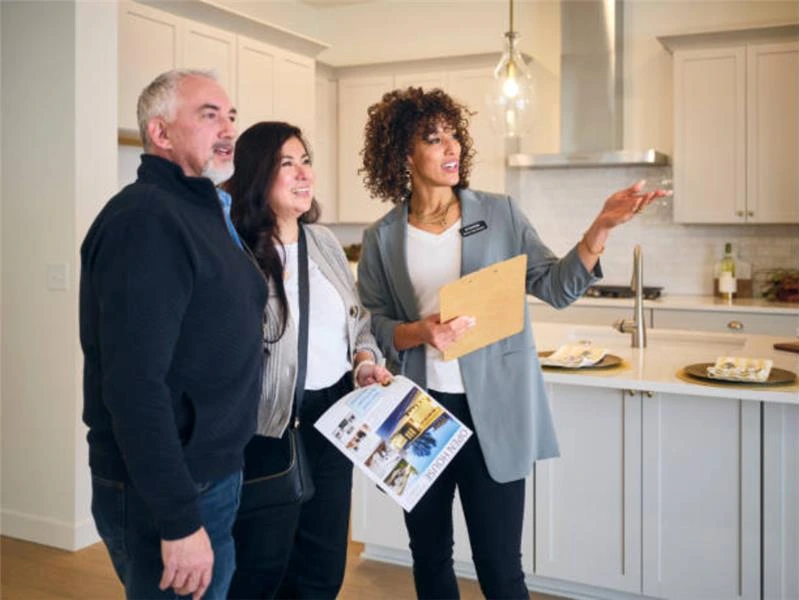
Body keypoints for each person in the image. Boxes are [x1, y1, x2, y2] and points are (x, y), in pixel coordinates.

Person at [356, 87, 667, 599]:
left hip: (492, 412)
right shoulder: (383, 236)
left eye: (453, 135)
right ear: (402, 155)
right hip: (415, 413)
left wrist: (601, 227)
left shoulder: (499, 214)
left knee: (499, 565)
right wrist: (419, 332)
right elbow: (371, 323)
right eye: (433, 139)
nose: (450, 147)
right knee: (429, 556)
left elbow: (556, 287)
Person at [80, 69, 267, 600]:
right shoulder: (146, 220)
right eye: (209, 115)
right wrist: (179, 520)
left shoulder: (201, 210)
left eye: (231, 116)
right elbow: (134, 386)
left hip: (209, 471)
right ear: (161, 134)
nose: (228, 128)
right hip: (173, 485)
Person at [224, 121, 392, 599]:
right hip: (270, 429)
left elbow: (357, 321)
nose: (303, 174)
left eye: (306, 161)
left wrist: (364, 360)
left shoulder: (324, 244)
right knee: (263, 569)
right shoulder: (235, 251)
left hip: (336, 421)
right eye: (286, 164)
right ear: (258, 175)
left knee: (323, 569)